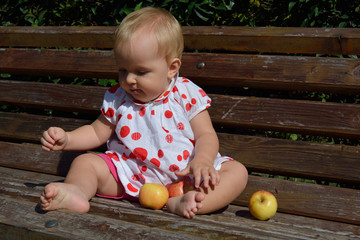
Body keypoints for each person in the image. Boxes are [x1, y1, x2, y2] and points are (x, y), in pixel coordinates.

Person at [40, 7, 248, 219]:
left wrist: (203, 160)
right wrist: (68, 139)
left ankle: (188, 202)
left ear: (172, 68)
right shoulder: (118, 98)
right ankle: (77, 191)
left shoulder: (185, 92)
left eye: (140, 72)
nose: (129, 79)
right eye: (123, 70)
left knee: (237, 172)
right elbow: (96, 133)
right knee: (85, 163)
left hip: (187, 175)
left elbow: (206, 134)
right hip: (134, 176)